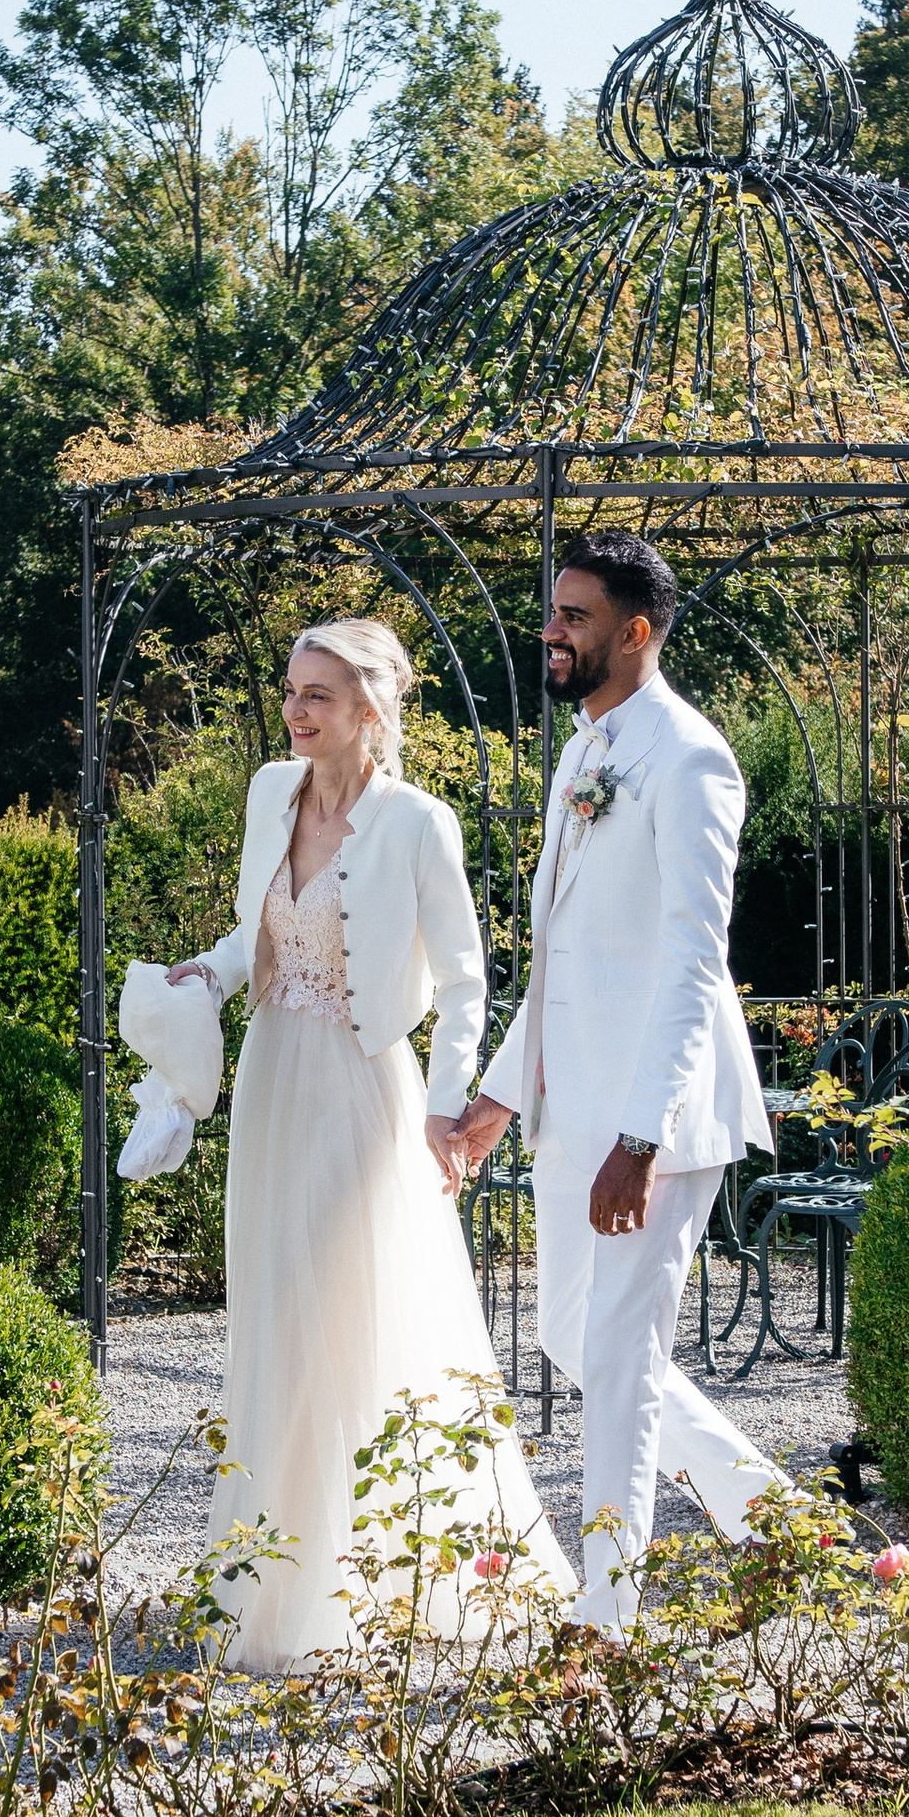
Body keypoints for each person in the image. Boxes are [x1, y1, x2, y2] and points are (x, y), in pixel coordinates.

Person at [167, 617, 573, 1670]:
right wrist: (202, 977)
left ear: (371, 712)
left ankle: (378, 1581)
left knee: (347, 1307)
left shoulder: (416, 823)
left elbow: (466, 978)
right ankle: (271, 1579)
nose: (298, 711)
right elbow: (256, 931)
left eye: (320, 696)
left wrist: (449, 1105)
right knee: (273, 1311)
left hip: (363, 1089)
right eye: (293, 690)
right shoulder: (268, 793)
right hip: (269, 1081)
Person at [452, 532, 780, 1628]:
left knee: (622, 1360)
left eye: (575, 618)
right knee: (565, 1338)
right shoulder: (585, 753)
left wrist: (639, 1138)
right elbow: (555, 955)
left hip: (659, 1117)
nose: (551, 632)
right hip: (572, 1104)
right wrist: (501, 1095)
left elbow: (694, 959)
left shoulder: (691, 759)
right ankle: (783, 1528)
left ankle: (606, 1613)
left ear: (635, 634)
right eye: (554, 613)